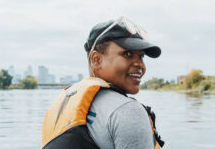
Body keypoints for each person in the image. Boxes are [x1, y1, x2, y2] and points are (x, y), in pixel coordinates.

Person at [41, 17, 164, 149]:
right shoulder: (128, 111)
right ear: (96, 60)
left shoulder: (65, 103)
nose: (140, 64)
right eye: (127, 54)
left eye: (141, 56)